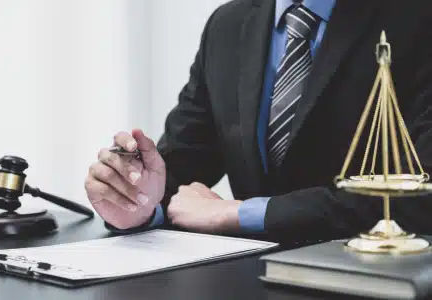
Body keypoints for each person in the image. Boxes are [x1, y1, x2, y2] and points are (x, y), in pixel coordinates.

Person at [85, 0, 432, 243]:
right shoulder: (227, 26)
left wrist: (242, 214)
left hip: (370, 279)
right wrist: (136, 202)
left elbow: (421, 198)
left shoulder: (418, 20)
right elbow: (179, 169)